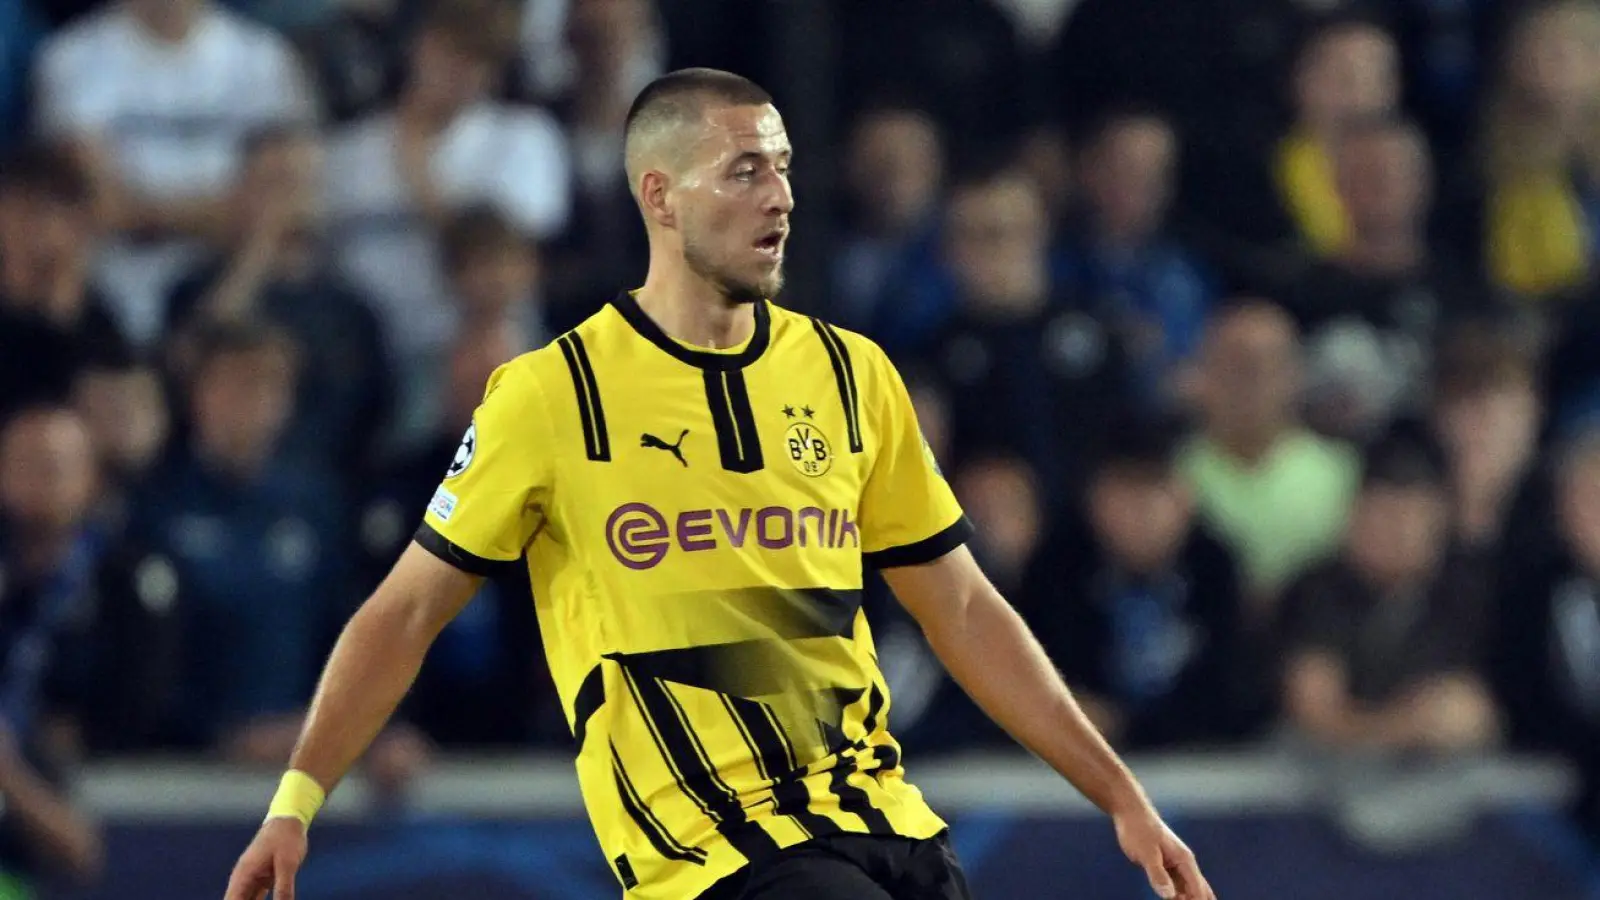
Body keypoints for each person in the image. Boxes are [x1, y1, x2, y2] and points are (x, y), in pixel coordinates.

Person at [222, 69, 1214, 900]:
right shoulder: (550, 396)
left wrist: (1118, 794)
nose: (779, 196)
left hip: (889, 828)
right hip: (715, 856)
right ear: (659, 196)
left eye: (782, 168)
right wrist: (295, 803)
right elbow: (400, 615)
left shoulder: (850, 374)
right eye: (744, 171)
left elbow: (958, 606)